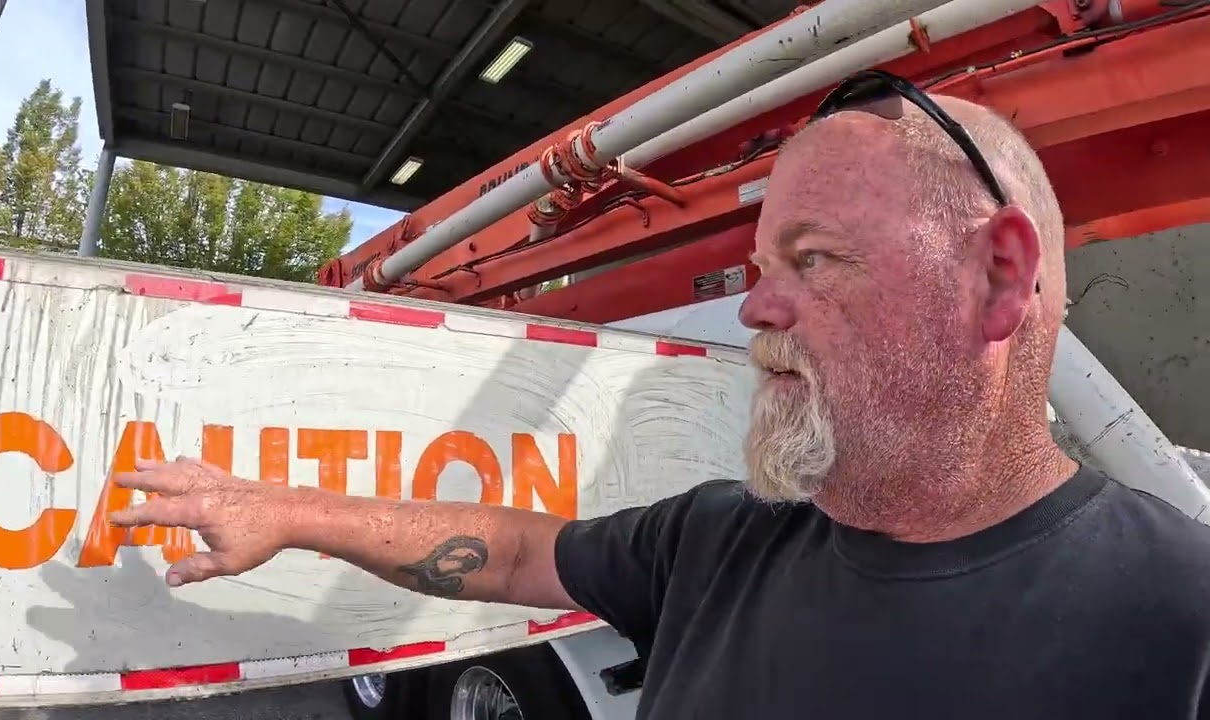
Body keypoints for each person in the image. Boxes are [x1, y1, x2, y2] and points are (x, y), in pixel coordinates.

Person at [109, 71, 1210, 718]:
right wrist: (288, 510)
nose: (754, 310)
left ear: (998, 278)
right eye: (757, 269)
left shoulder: (1181, 623)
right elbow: (511, 552)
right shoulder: (717, 543)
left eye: (812, 259)